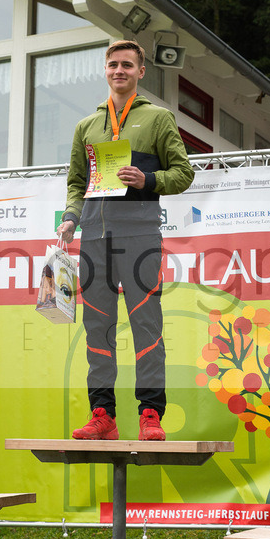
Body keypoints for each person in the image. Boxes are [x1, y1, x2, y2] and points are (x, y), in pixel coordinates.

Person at [56, 40, 193, 441]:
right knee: (97, 329)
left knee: (146, 326)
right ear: (105, 70)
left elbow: (183, 174)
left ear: (140, 71)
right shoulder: (86, 126)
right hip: (94, 238)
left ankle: (151, 414)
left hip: (140, 236)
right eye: (113, 65)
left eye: (127, 65)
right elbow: (76, 184)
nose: (120, 71)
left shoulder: (158, 119)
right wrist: (69, 219)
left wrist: (147, 179)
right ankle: (103, 414)